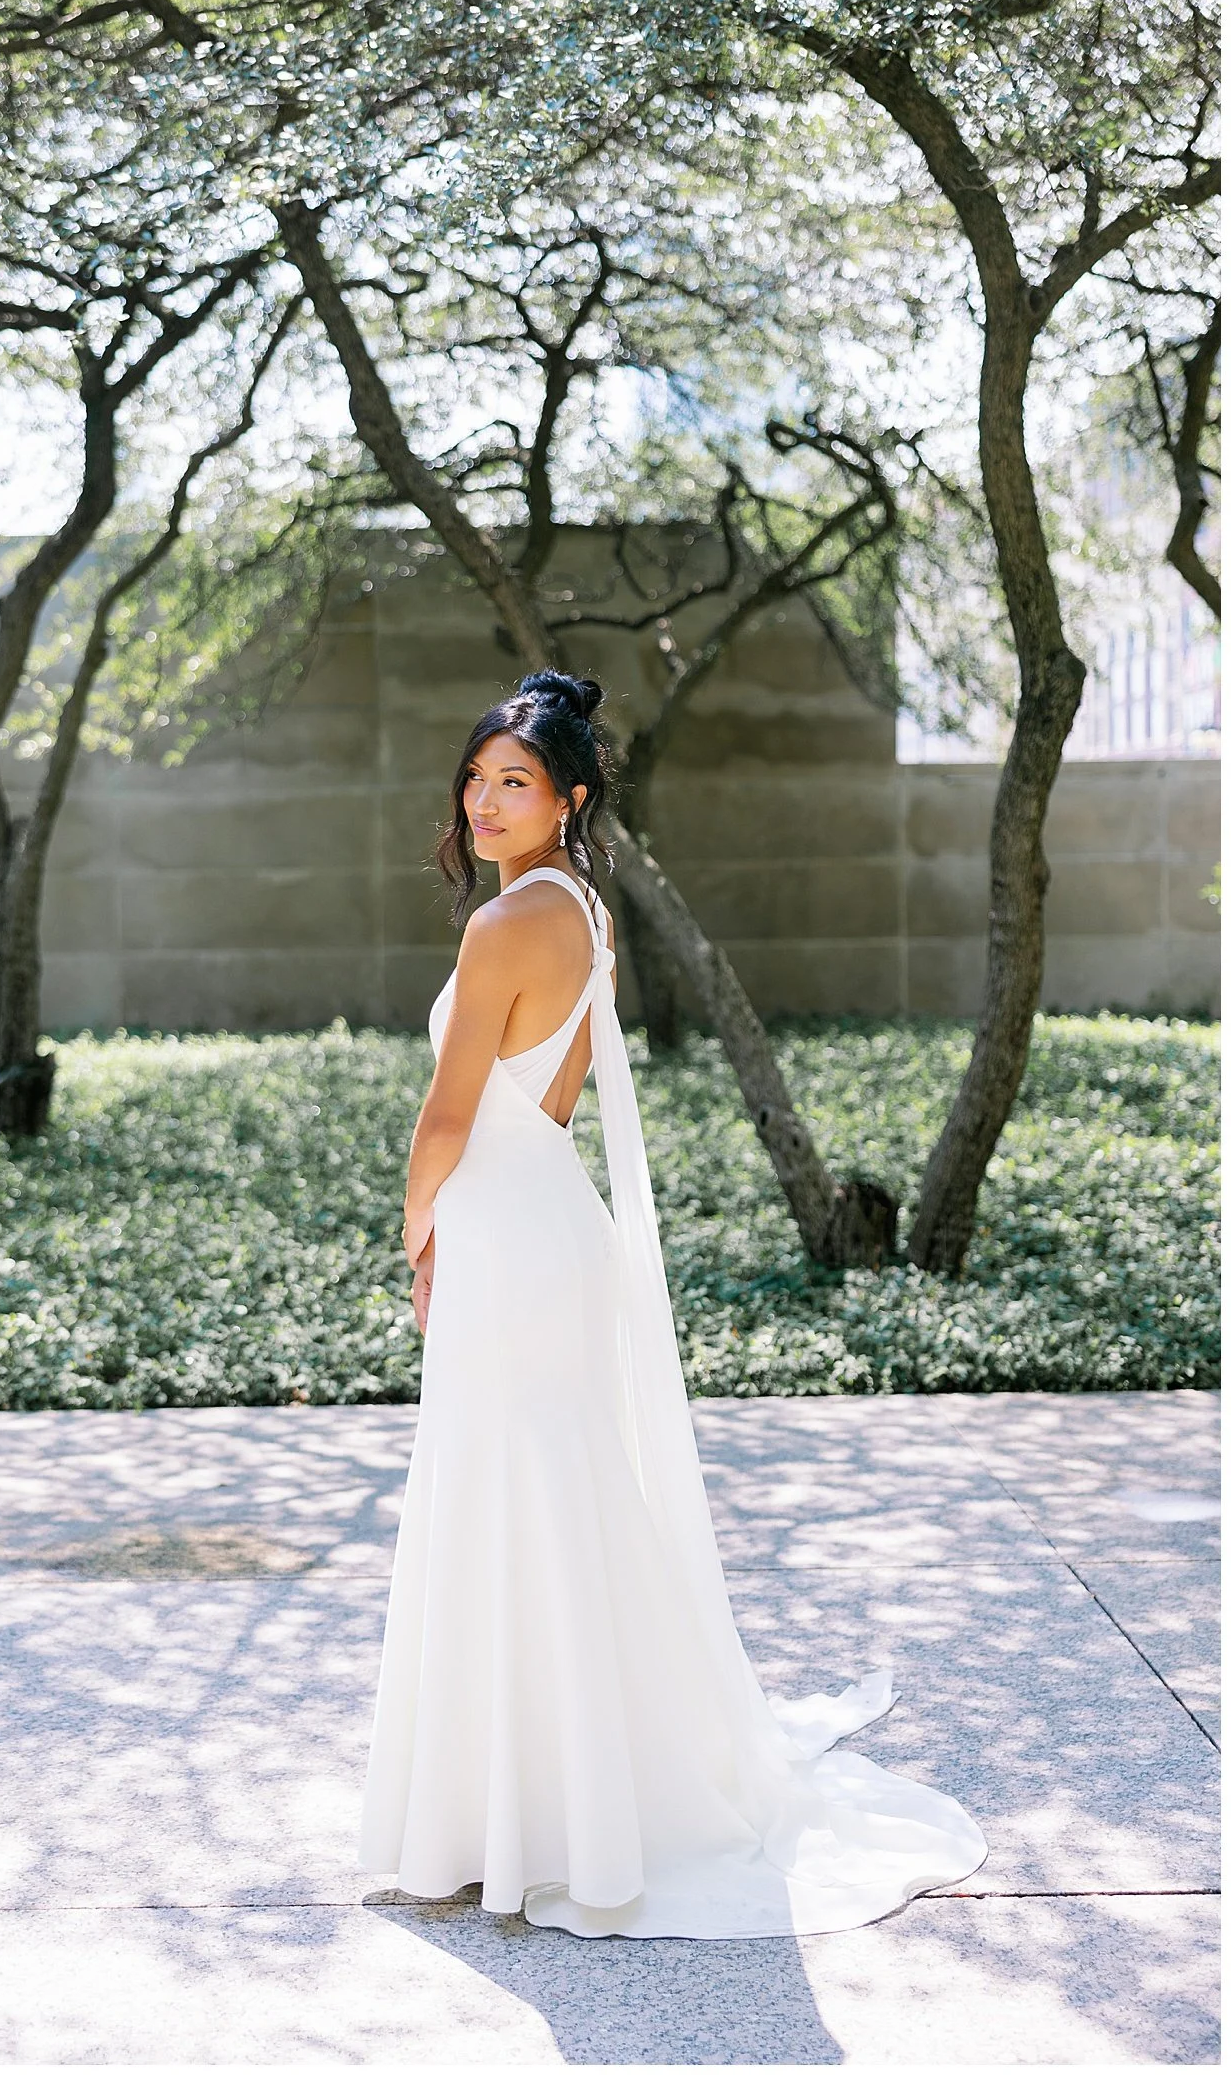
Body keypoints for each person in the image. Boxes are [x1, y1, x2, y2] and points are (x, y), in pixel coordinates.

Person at [359, 669, 986, 1938]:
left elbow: (444, 1117)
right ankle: (569, 1810)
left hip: (499, 1224)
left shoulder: (500, 927)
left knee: (502, 1498)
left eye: (515, 781)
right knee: (558, 1499)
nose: (485, 799)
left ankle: (522, 1820)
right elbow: (542, 1101)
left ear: (569, 796)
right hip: (548, 1216)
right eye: (476, 777)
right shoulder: (580, 906)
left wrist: (417, 1232)